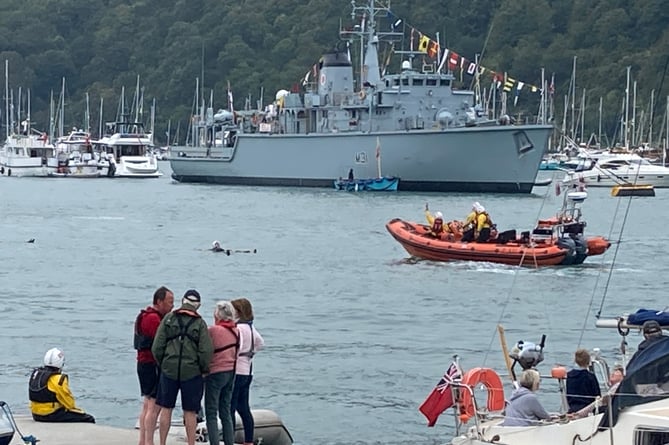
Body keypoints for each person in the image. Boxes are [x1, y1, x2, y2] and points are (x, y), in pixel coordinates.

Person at [150, 290, 214, 445]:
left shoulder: (169, 318)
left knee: (166, 409)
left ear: (182, 301)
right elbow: (206, 351)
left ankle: (162, 442)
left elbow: (156, 347)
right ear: (198, 305)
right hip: (191, 373)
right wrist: (203, 369)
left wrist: (164, 363)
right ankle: (191, 443)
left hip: (169, 370)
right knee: (190, 412)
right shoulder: (199, 323)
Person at [136, 286, 175, 445]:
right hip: (151, 364)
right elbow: (161, 341)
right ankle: (149, 441)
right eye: (169, 302)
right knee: (153, 405)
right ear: (159, 301)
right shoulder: (153, 319)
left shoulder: (144, 316)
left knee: (147, 403)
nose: (172, 306)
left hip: (143, 363)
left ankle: (143, 440)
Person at [230, 298, 265, 445]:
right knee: (244, 407)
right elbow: (260, 343)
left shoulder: (238, 329)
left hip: (236, 371)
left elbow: (235, 346)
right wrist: (251, 353)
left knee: (229, 407)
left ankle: (229, 438)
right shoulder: (251, 328)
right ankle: (249, 440)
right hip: (247, 371)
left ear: (238, 312)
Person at [28, 348, 95, 423]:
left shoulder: (36, 375)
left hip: (35, 414)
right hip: (50, 414)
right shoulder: (59, 379)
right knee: (89, 418)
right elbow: (68, 403)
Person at [205, 301, 239, 445]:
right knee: (225, 410)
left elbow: (205, 348)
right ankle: (229, 442)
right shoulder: (236, 331)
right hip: (231, 373)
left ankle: (214, 442)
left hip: (215, 373)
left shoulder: (213, 331)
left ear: (217, 315)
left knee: (211, 412)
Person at [566, 348, 601, 413]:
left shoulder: (569, 375)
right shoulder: (590, 376)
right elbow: (597, 394)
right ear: (588, 360)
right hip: (588, 409)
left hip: (573, 408)